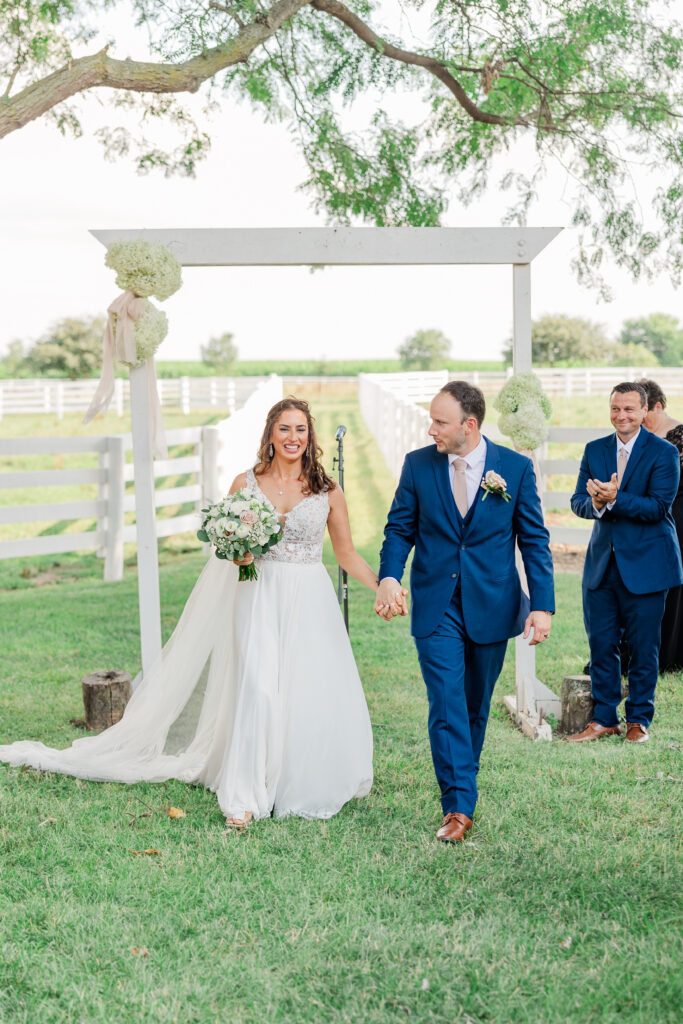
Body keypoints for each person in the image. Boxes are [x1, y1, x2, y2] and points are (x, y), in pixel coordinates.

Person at [0, 398, 376, 826]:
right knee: (257, 688)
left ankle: (296, 780)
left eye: (301, 430)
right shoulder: (245, 483)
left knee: (303, 689)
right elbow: (229, 547)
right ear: (270, 434)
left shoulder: (327, 491)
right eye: (285, 429)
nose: (293, 438)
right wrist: (239, 555)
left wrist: (383, 583)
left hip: (308, 597)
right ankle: (245, 794)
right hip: (258, 596)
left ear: (311, 437)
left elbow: (347, 555)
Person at [375, 381, 555, 843]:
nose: (430, 428)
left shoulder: (513, 469)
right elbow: (399, 529)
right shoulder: (418, 465)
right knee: (446, 702)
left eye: (440, 421)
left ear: (468, 426)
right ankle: (458, 805)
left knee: (475, 705)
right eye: (431, 419)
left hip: (494, 604)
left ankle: (462, 781)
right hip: (436, 605)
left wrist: (543, 606)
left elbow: (534, 541)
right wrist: (390, 576)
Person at [567, 382, 682, 744]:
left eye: (630, 409)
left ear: (645, 410)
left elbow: (658, 507)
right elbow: (577, 502)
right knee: (601, 644)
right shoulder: (595, 449)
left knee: (645, 646)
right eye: (616, 408)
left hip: (648, 564)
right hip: (602, 565)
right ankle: (604, 718)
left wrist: (616, 498)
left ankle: (638, 721)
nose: (622, 416)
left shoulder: (663, 453)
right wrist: (597, 504)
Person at [638, 378, 683, 672]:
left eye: (646, 415)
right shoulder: (638, 437)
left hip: (677, 516)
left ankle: (671, 654)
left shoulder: (679, 436)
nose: (641, 422)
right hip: (645, 517)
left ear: (657, 405)